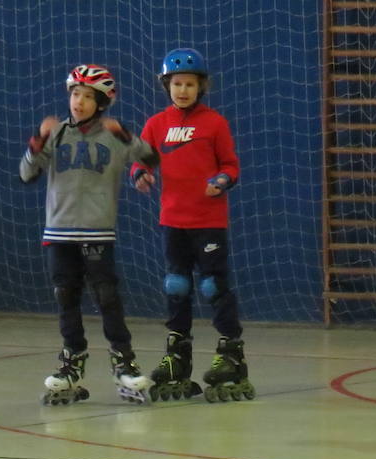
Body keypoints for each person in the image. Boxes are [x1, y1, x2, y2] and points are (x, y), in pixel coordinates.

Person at [20, 65, 159, 406]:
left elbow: (150, 157)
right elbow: (26, 174)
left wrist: (127, 136)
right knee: (66, 297)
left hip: (98, 231)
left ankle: (124, 362)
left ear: (101, 102)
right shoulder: (55, 134)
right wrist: (37, 141)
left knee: (107, 297)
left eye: (86, 96)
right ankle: (71, 363)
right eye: (74, 94)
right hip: (59, 231)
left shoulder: (114, 135)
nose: (78, 102)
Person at [129, 48, 250, 403]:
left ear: (201, 87)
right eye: (177, 84)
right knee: (176, 285)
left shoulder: (214, 123)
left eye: (190, 84)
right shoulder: (156, 124)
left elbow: (231, 165)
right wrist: (140, 175)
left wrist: (222, 181)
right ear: (167, 86)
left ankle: (231, 354)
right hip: (173, 219)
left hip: (208, 220)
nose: (183, 90)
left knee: (213, 286)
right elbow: (141, 161)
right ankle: (177, 356)